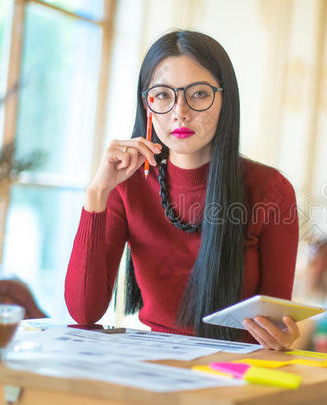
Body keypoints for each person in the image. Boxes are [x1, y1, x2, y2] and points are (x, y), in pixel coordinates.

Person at [65, 30, 299, 350]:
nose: (180, 111)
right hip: (153, 367)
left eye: (199, 94)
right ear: (147, 105)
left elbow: (275, 320)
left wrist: (280, 336)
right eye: (162, 94)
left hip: (235, 370)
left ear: (224, 100)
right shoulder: (128, 185)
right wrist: (96, 194)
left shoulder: (270, 190)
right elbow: (83, 312)